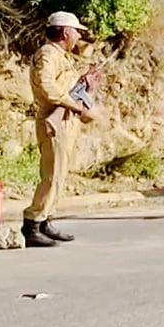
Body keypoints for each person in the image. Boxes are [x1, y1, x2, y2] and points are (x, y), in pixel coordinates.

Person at [23, 12, 96, 247]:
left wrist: (85, 85)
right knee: (52, 175)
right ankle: (33, 222)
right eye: (76, 32)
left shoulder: (59, 56)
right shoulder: (47, 54)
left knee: (60, 174)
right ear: (65, 32)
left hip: (65, 121)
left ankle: (45, 219)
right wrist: (72, 104)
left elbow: (62, 86)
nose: (78, 36)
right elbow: (47, 86)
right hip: (53, 121)